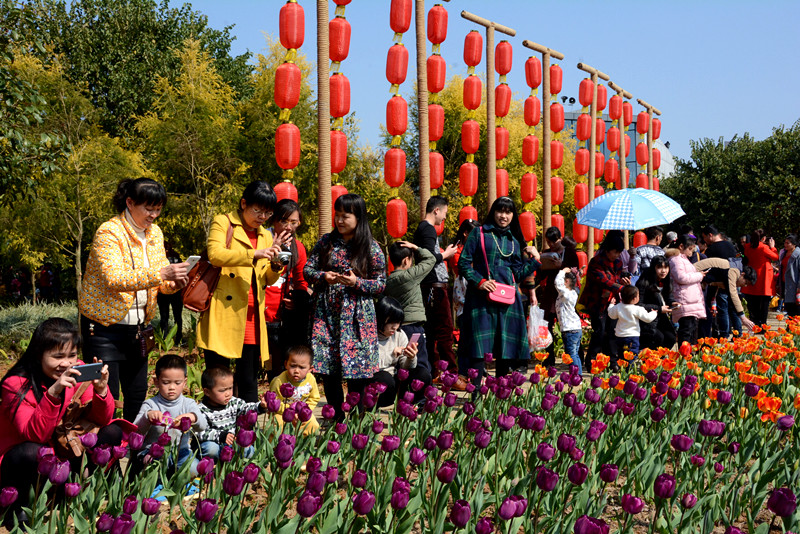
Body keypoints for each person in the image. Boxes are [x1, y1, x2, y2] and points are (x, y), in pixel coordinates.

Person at [80, 178, 189, 421]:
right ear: (129, 202)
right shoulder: (108, 232)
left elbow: (160, 284)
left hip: (139, 330)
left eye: (158, 209)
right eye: (149, 208)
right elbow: (115, 279)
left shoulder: (155, 234)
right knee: (104, 397)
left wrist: (174, 284)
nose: (154, 215)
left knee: (137, 396)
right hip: (104, 330)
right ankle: (104, 454)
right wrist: (162, 274)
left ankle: (134, 452)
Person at [0, 318, 122, 526]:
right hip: (23, 464)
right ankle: (18, 509)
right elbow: (34, 435)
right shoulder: (16, 385)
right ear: (39, 355)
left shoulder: (79, 371)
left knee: (112, 431)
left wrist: (102, 390)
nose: (66, 363)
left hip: (63, 451)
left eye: (72, 355)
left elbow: (101, 420)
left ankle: (96, 493)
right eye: (58, 356)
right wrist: (54, 392)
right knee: (32, 451)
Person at [196, 181, 288, 403]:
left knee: (248, 378)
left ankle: (247, 432)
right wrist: (254, 254)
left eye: (267, 212)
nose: (262, 216)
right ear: (243, 203)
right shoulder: (224, 222)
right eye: (257, 210)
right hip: (223, 311)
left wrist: (276, 264)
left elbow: (266, 277)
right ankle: (215, 431)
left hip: (251, 315)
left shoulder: (265, 235)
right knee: (218, 378)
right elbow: (216, 254)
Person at [304, 193, 386, 420]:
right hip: (327, 315)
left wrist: (356, 282)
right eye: (337, 215)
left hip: (358, 317)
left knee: (357, 374)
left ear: (359, 217)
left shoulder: (371, 247)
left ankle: (357, 426)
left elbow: (380, 284)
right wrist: (324, 276)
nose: (339, 220)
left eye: (345, 216)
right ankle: (336, 420)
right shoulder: (326, 242)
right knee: (329, 371)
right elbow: (307, 271)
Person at [457, 197, 541, 383]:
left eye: (508, 212)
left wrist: (535, 260)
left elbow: (518, 274)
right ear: (493, 212)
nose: (503, 216)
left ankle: (499, 398)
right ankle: (475, 395)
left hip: (508, 302)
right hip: (481, 299)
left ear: (513, 215)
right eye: (500, 211)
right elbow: (463, 263)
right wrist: (480, 282)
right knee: (478, 349)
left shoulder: (515, 240)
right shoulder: (478, 233)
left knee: (506, 350)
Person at [133, 355, 207, 475]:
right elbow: (136, 431)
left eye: (177, 383)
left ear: (184, 382)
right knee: (152, 469)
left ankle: (178, 483)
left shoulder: (189, 404)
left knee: (193, 469)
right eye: (166, 382)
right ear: (156, 382)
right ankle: (155, 486)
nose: (172, 387)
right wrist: (148, 417)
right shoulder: (151, 404)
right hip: (154, 451)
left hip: (180, 451)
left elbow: (203, 426)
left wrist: (192, 417)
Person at [413, 197, 458, 379]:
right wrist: (446, 254)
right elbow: (429, 259)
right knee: (444, 331)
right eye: (444, 214)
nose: (444, 219)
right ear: (436, 210)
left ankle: (432, 372)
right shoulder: (428, 229)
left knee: (431, 333)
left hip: (428, 286)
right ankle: (451, 374)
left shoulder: (422, 229)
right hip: (435, 287)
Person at [265, 199, 310, 379]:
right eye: (284, 221)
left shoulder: (298, 247)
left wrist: (297, 301)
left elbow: (301, 281)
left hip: (280, 315)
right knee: (249, 364)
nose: (289, 227)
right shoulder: (262, 240)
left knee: (278, 364)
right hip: (257, 311)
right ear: (274, 220)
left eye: (294, 222)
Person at [384, 241, 436, 375]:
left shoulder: (387, 281)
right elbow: (431, 259)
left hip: (396, 329)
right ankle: (420, 394)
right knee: (420, 365)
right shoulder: (410, 276)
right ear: (406, 260)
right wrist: (416, 247)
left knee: (401, 366)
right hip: (413, 328)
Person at [579, 232, 629, 371]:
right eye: (615, 252)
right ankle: (591, 360)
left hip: (612, 301)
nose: (617, 255)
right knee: (599, 331)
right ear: (607, 250)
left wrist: (623, 280)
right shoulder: (596, 261)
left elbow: (616, 279)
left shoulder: (618, 262)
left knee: (613, 331)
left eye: (619, 252)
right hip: (596, 302)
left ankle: (613, 362)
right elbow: (603, 280)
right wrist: (621, 288)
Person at [372, 297, 431, 407]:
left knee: (422, 373)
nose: (395, 327)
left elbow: (406, 367)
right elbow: (371, 366)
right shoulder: (370, 336)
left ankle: (407, 405)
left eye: (398, 322)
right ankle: (372, 407)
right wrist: (392, 356)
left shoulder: (399, 334)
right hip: (378, 381)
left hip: (397, 379)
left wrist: (411, 357)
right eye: (390, 322)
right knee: (385, 378)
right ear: (380, 318)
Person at [198, 366, 267, 459]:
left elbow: (246, 408)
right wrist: (220, 436)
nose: (228, 393)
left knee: (249, 450)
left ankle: (232, 463)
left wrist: (260, 406)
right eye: (222, 390)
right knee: (210, 449)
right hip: (214, 443)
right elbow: (201, 432)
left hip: (232, 444)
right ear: (207, 392)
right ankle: (214, 465)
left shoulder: (233, 402)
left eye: (230, 388)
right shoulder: (201, 409)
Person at [534, 227, 580, 366]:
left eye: (554, 241)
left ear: (560, 238)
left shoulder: (570, 252)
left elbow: (575, 271)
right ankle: (548, 359)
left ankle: (577, 357)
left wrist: (562, 265)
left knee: (569, 323)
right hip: (550, 293)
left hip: (565, 292)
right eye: (549, 242)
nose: (552, 245)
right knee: (547, 325)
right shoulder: (547, 253)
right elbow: (541, 275)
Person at [693, 257, 758, 333]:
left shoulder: (732, 269)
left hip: (697, 280)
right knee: (705, 316)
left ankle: (702, 342)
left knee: (706, 316)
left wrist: (712, 303)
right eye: (746, 282)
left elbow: (715, 284)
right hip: (693, 275)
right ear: (743, 274)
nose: (745, 286)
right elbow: (733, 294)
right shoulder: (734, 271)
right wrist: (743, 317)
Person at [268, 346, 320, 435]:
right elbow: (273, 402)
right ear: (286, 364)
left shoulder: (311, 379)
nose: (296, 371)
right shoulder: (279, 381)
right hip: (282, 413)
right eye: (293, 366)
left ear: (310, 369)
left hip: (302, 413)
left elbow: (314, 399)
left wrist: (303, 412)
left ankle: (303, 445)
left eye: (302, 367)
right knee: (277, 424)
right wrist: (290, 412)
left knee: (313, 425)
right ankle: (277, 446)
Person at [700, 224, 740, 337]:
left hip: (718, 283)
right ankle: (738, 334)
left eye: (704, 237)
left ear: (710, 235)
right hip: (732, 280)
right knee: (733, 309)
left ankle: (724, 334)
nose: (704, 240)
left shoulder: (711, 249)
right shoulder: (730, 245)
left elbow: (708, 268)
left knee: (722, 310)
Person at [669, 235, 707, 346]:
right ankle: (685, 356)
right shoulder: (676, 260)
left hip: (689, 299)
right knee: (686, 330)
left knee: (691, 330)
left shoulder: (682, 259)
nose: (691, 252)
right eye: (690, 249)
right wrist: (699, 276)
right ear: (681, 246)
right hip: (685, 299)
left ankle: (689, 356)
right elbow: (681, 277)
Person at [607, 286, 657, 365]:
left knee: (621, 354)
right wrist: (654, 313)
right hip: (632, 336)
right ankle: (629, 371)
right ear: (634, 299)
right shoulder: (637, 309)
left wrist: (611, 305)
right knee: (631, 355)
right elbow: (648, 318)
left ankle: (622, 369)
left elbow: (611, 315)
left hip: (619, 336)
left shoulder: (618, 307)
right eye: (638, 296)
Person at [636, 256, 678, 350]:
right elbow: (638, 305)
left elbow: (668, 297)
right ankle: (649, 361)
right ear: (653, 268)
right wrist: (659, 309)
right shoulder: (644, 283)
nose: (663, 271)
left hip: (661, 319)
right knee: (658, 338)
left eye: (666, 267)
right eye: (659, 267)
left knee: (671, 338)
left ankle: (659, 361)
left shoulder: (667, 281)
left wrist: (673, 303)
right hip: (647, 319)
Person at [741, 229, 779, 327]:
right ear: (763, 238)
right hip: (763, 279)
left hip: (752, 278)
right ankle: (763, 324)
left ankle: (754, 323)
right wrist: (773, 247)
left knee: (753, 303)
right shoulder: (764, 247)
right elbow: (775, 257)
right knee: (764, 304)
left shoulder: (747, 246)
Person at [448, 219, 482, 325]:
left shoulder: (479, 248)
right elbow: (461, 267)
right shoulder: (456, 250)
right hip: (464, 286)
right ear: (465, 233)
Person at [554, 268, 582, 375]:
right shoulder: (572, 293)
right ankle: (577, 375)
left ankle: (576, 376)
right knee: (574, 354)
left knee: (572, 355)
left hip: (571, 330)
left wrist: (562, 271)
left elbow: (557, 283)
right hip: (574, 329)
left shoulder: (566, 294)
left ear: (566, 282)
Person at [157, 241, 184, 345]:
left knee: (170, 316)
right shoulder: (175, 256)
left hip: (171, 292)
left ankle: (171, 339)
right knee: (169, 316)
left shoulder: (162, 258)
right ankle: (170, 339)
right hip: (168, 291)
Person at [778, 234, 800, 317]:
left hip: (795, 286)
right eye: (785, 242)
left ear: (794, 244)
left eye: (788, 243)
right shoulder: (784, 253)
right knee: (789, 309)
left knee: (796, 311)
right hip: (786, 285)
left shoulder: (798, 255)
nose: (785, 245)